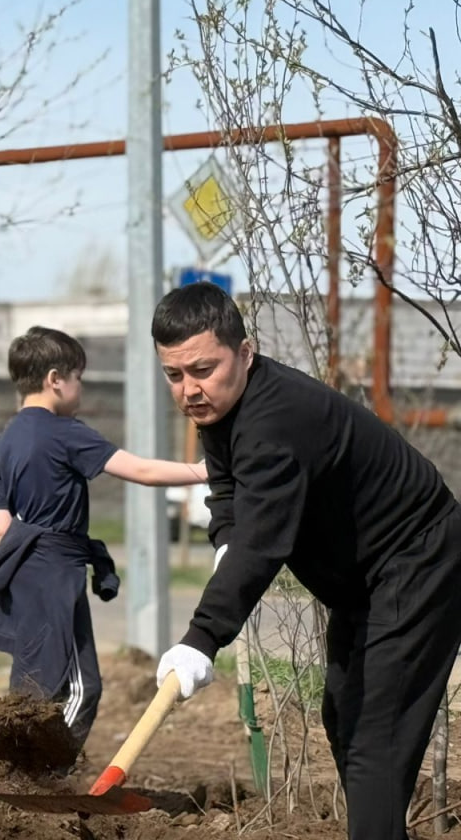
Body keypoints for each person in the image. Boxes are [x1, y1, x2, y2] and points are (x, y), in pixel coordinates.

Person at [151, 281, 461, 840]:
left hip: (418, 559)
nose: (190, 390)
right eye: (175, 375)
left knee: (375, 737)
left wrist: (202, 637)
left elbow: (265, 543)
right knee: (344, 718)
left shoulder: (276, 421)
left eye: (203, 369)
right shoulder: (223, 409)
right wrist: (226, 537)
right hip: (365, 578)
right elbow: (226, 492)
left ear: (245, 353)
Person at [0, 325, 207, 753]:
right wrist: (204, 471)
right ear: (55, 380)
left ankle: (21, 768)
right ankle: (38, 772)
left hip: (24, 572)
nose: (80, 388)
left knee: (35, 680)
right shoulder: (65, 432)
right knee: (77, 690)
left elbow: (1, 526)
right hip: (55, 574)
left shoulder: (5, 439)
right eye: (78, 378)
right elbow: (141, 471)